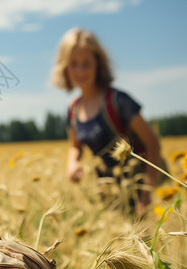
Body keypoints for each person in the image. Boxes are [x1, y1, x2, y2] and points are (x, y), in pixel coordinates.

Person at [51, 27, 162, 216]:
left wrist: (147, 195)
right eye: (73, 64)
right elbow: (75, 146)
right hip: (108, 197)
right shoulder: (73, 109)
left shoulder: (118, 101)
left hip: (140, 192)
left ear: (98, 64)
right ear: (64, 67)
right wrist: (72, 163)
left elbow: (152, 144)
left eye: (86, 63)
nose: (80, 70)